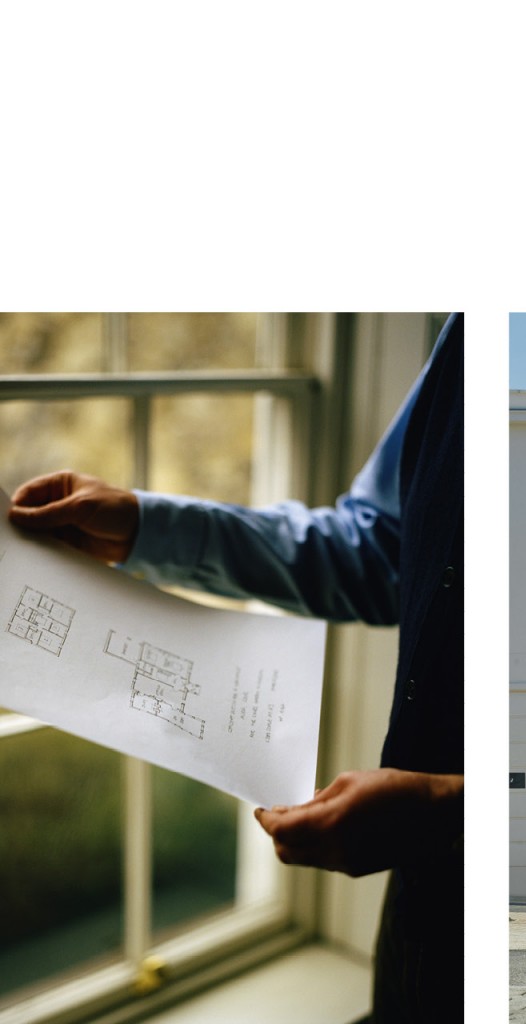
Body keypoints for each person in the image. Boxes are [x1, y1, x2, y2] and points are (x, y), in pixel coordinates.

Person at [10, 312, 463, 1023]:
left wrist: (450, 809)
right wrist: (145, 524)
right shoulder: (465, 332)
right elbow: (379, 551)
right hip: (413, 937)